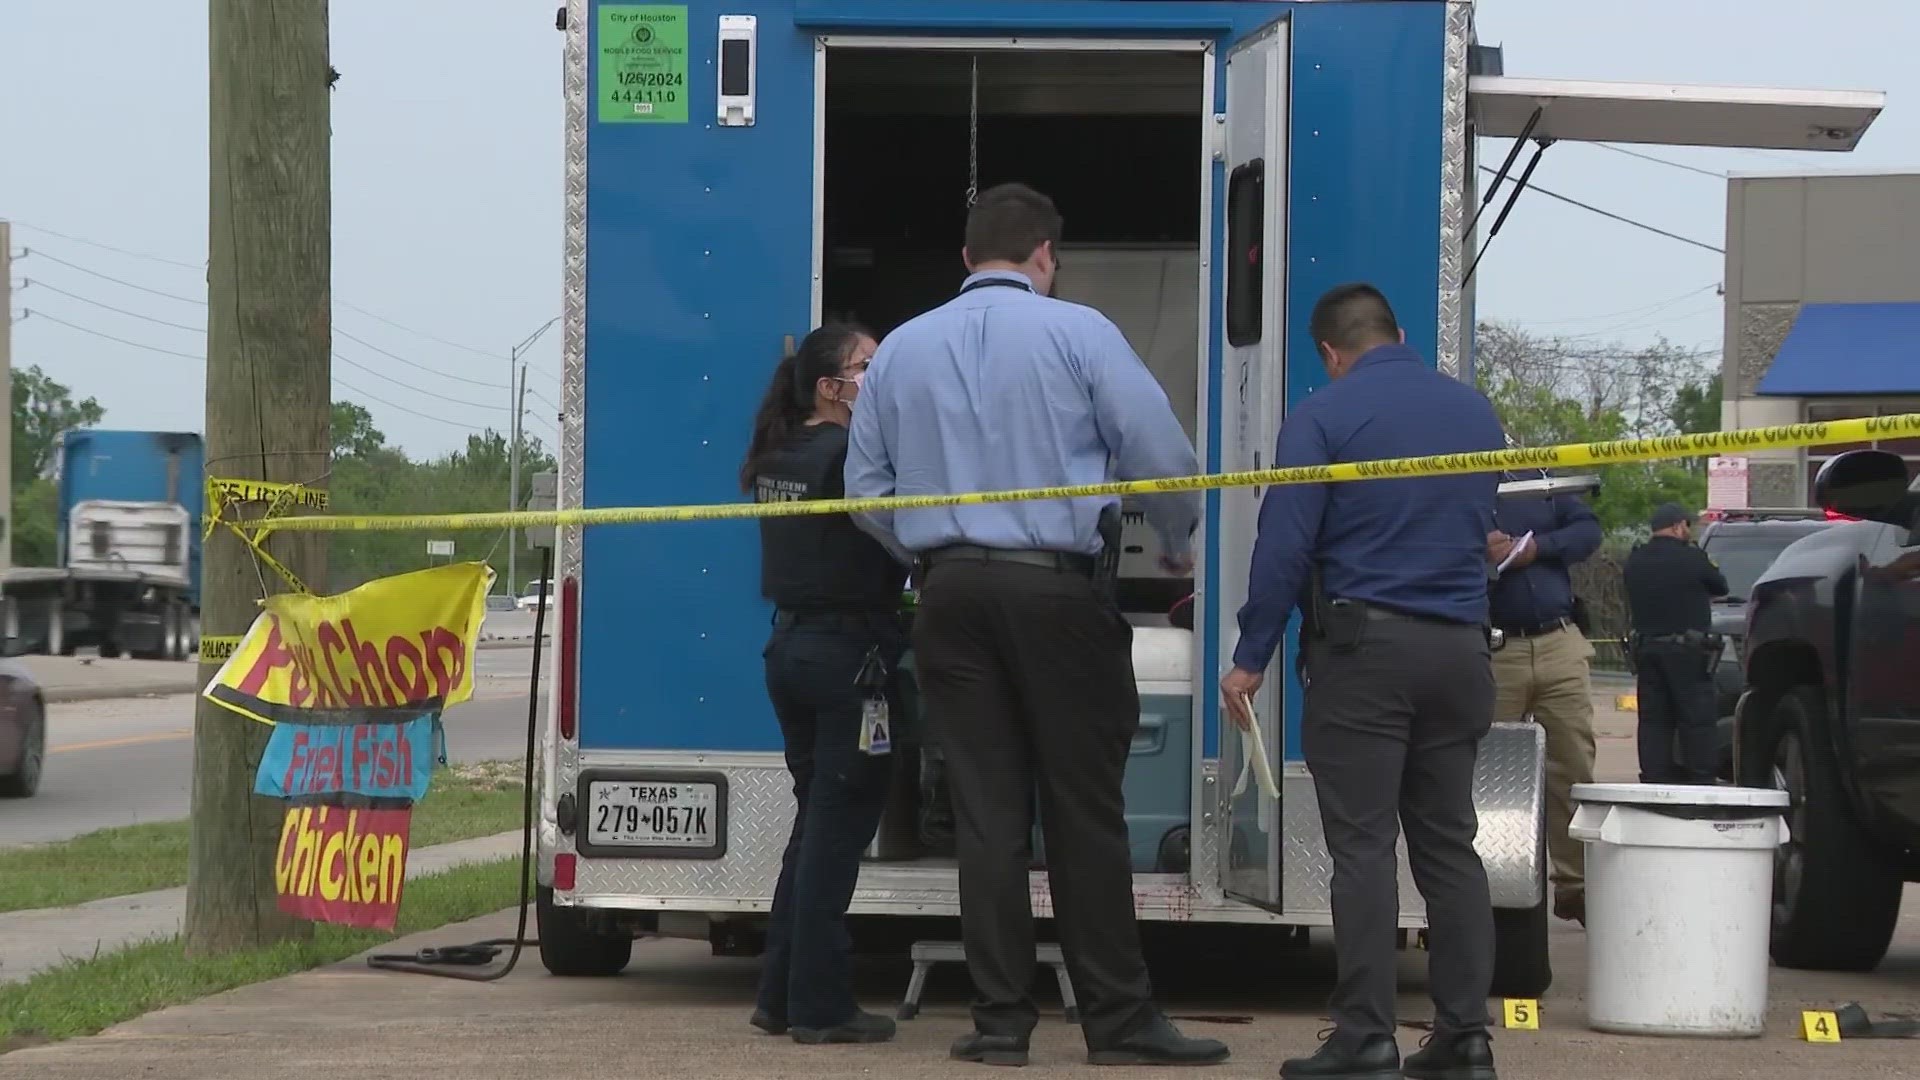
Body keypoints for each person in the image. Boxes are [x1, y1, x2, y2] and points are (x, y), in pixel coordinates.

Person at [844, 182, 1226, 1069]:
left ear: (968, 258)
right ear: (1046, 255)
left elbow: (862, 493)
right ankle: (1118, 1022)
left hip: (948, 600)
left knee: (986, 816)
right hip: (1057, 597)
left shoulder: (900, 349)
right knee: (1085, 813)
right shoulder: (1081, 332)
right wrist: (1174, 545)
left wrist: (931, 555)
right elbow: (1163, 456)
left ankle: (999, 1025)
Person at [1219, 283, 1508, 1080]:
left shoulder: (1324, 417)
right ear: (1399, 332)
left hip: (1366, 659)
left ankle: (1365, 1037)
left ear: (1329, 352)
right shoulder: (1476, 413)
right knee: (1451, 846)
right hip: (1459, 652)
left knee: (1364, 849)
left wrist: (1252, 654)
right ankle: (1465, 1039)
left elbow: (1285, 545)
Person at [739, 323, 906, 1046]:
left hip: (792, 652)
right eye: (869, 367)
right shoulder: (848, 454)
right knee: (837, 835)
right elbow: (896, 529)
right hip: (848, 659)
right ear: (829, 388)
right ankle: (820, 1005)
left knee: (813, 826)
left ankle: (778, 995)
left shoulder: (780, 453)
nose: (880, 376)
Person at [1485, 477, 1602, 927]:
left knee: (1573, 764)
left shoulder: (1534, 484)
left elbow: (1587, 530)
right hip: (1494, 649)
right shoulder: (1453, 484)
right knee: (1489, 775)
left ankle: (1576, 886)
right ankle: (1484, 891)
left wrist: (1536, 549)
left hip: (1559, 640)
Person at [1622, 502, 1729, 784]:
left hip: (1646, 649)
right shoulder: (1692, 558)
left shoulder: (1636, 559)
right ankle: (1701, 781)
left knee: (1654, 721)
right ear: (1679, 526)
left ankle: (1655, 780)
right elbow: (1720, 586)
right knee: (1697, 720)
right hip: (1687, 651)